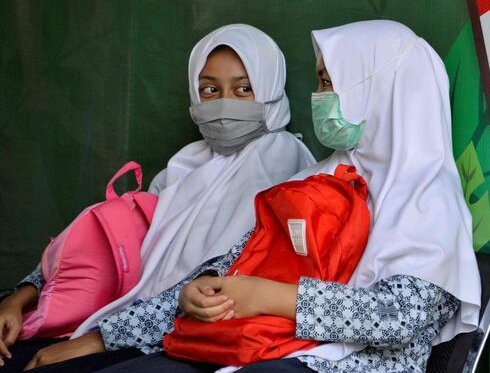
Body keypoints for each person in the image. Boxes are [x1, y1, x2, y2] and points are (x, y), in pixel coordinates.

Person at [94, 19, 482, 372]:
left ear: (379, 90)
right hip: (258, 348)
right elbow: (235, 268)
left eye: (329, 83)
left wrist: (274, 297)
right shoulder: (314, 181)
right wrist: (193, 295)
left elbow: (397, 317)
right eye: (319, 82)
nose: (318, 97)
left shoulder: (428, 201)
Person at [0, 24, 315, 371]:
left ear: (270, 90)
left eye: (244, 89)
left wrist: (98, 340)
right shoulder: (186, 164)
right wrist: (21, 297)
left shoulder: (280, 163)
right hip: (120, 317)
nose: (225, 103)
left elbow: (215, 284)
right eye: (210, 89)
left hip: (179, 337)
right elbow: (105, 244)